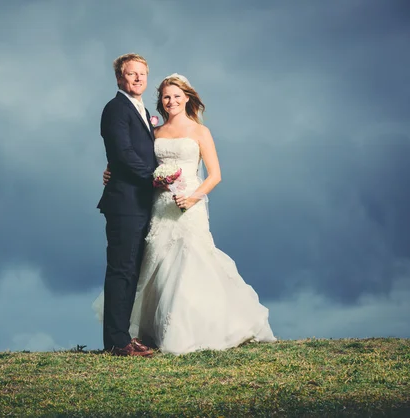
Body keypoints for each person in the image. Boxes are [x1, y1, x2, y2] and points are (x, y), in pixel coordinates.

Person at [96, 73, 276, 355]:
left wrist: (192, 198)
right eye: (166, 97)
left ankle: (196, 328)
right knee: (158, 263)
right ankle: (154, 331)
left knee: (191, 260)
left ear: (188, 98)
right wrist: (111, 172)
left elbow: (215, 175)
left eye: (177, 96)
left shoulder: (200, 132)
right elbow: (132, 157)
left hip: (188, 203)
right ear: (161, 101)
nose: (171, 101)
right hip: (159, 204)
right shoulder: (154, 132)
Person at [96, 53, 157, 357]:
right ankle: (116, 342)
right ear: (119, 78)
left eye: (142, 74)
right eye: (131, 74)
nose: (137, 79)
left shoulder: (143, 110)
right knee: (121, 270)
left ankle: (123, 336)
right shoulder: (115, 108)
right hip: (125, 203)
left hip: (142, 202)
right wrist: (156, 177)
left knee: (132, 271)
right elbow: (123, 154)